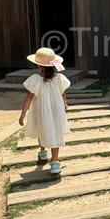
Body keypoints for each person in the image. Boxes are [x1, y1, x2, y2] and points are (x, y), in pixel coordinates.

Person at [18, 47, 71, 175]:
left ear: (38, 65)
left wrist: (23, 114)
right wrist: (64, 105)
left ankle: (42, 152)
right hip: (57, 110)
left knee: (42, 128)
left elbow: (29, 97)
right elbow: (63, 94)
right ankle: (55, 163)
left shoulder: (35, 80)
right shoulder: (59, 78)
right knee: (55, 132)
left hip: (41, 110)